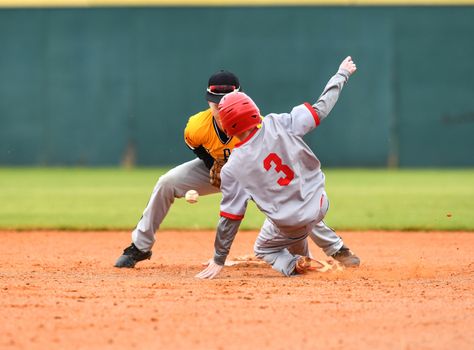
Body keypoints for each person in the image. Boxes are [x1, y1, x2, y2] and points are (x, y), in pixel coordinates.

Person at [115, 69, 358, 269]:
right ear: (208, 101)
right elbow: (195, 144)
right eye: (216, 104)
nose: (221, 109)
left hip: (256, 174)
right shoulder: (196, 126)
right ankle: (140, 246)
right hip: (222, 172)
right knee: (167, 182)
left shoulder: (250, 121)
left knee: (291, 204)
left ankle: (333, 248)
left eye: (226, 102)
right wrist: (213, 165)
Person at [196, 56, 359, 279]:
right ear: (253, 109)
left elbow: (230, 218)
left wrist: (219, 258)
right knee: (293, 217)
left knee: (264, 248)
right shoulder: (279, 122)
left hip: (293, 224)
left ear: (226, 124)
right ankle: (326, 251)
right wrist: (341, 74)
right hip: (320, 203)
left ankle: (298, 265)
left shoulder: (234, 166)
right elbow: (321, 108)